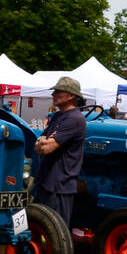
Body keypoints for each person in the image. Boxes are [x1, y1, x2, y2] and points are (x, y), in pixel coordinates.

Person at [33, 77, 86, 228]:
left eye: (58, 91)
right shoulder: (58, 116)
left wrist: (43, 142)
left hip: (59, 186)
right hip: (46, 182)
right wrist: (42, 142)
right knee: (39, 226)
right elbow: (37, 145)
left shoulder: (75, 119)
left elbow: (45, 148)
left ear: (71, 96)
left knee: (56, 232)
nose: (53, 94)